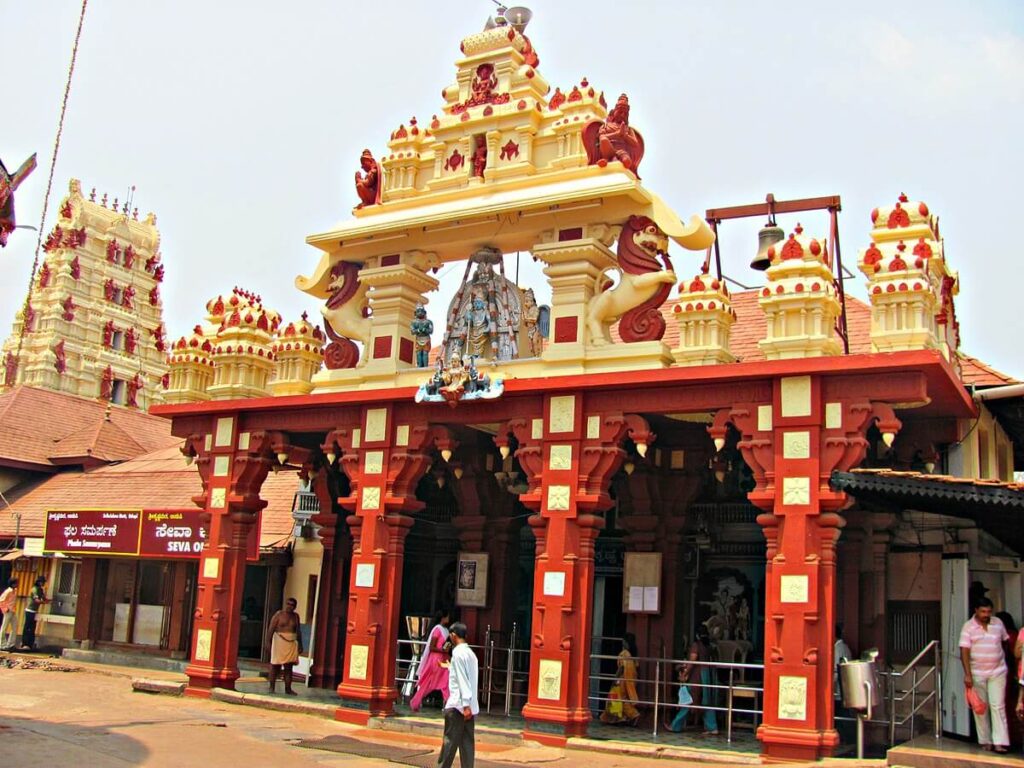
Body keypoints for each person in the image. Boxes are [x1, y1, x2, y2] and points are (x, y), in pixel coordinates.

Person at [960, 597, 1009, 753]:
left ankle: (1000, 742)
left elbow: (1005, 642)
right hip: (977, 673)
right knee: (980, 708)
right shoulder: (968, 627)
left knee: (998, 705)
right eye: (983, 611)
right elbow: (964, 651)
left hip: (998, 671)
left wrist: (1002, 660)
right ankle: (986, 741)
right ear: (976, 611)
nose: (986, 615)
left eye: (988, 611)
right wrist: (968, 674)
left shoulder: (998, 623)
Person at [437, 621, 478, 768]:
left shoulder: (458, 653)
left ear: (453, 635)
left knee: (449, 743)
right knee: (467, 744)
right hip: (470, 707)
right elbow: (466, 675)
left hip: (458, 705)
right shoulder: (471, 654)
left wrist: (465, 704)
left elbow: (462, 679)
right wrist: (450, 667)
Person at [410, 609, 452, 712]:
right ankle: (415, 702)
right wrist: (442, 650)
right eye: (447, 616)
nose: (449, 618)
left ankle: (449, 705)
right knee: (431, 683)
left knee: (445, 681)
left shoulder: (446, 630)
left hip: (444, 659)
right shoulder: (437, 629)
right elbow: (432, 647)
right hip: (436, 660)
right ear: (443, 618)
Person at [601, 633, 640, 725]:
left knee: (618, 698)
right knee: (622, 698)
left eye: (623, 641)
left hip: (622, 680)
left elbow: (621, 668)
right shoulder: (633, 654)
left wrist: (615, 679)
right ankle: (621, 717)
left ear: (626, 642)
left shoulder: (624, 653)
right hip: (631, 680)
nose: (622, 642)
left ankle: (633, 715)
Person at [266, 597, 302, 695]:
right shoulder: (278, 615)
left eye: (292, 605)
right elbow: (271, 629)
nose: (289, 606)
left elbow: (298, 631)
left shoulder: (296, 616)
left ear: (295, 607)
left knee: (288, 667)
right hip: (279, 641)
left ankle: (288, 689)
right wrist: (268, 643)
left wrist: (300, 644)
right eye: (288, 604)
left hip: (291, 643)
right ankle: (271, 687)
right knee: (275, 666)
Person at [686, 628, 719, 735]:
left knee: (691, 698)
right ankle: (711, 726)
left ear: (697, 635)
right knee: (706, 700)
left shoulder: (696, 645)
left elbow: (693, 660)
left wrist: (685, 672)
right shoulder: (709, 646)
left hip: (699, 675)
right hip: (709, 674)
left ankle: (711, 727)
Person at [20, 576, 46, 651]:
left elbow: (43, 598)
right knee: (27, 627)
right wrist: (43, 602)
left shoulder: (41, 590)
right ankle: (25, 643)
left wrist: (47, 600)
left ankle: (30, 644)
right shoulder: (34, 589)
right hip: (30, 610)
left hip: (35, 611)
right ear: (39, 582)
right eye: (42, 582)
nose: (43, 583)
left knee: (32, 628)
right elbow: (36, 600)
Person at [667, 664, 694, 732]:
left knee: (683, 711)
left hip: (687, 691)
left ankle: (674, 726)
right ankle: (676, 726)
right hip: (686, 691)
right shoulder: (685, 671)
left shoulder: (685, 672)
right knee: (684, 710)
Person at [0, 578, 17, 650]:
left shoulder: (14, 591)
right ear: (12, 584)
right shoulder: (8, 591)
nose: (17, 584)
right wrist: (5, 609)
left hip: (13, 611)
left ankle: (10, 644)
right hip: (8, 610)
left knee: (15, 626)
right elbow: (1, 600)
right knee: (4, 627)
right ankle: (2, 645)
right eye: (15, 583)